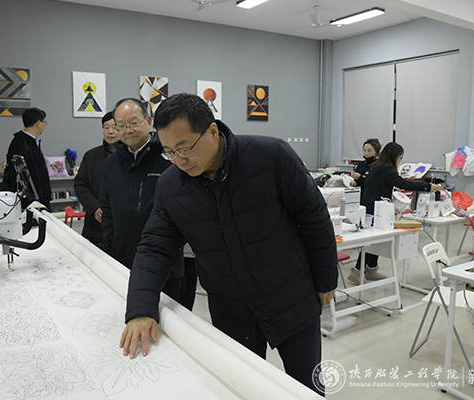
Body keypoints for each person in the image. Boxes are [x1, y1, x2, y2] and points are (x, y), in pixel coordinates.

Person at [119, 93, 337, 396]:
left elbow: (314, 218)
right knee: (243, 387)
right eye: (169, 152)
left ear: (212, 131)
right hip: (231, 309)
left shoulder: (270, 157)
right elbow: (155, 247)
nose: (179, 160)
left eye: (184, 148)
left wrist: (326, 280)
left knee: (306, 386)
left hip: (291, 297)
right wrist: (141, 308)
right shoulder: (171, 186)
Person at [98, 98, 184, 302]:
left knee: (166, 317)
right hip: (122, 258)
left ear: (148, 121)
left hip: (164, 261)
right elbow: (106, 209)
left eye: (134, 123)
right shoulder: (112, 163)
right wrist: (110, 243)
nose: (128, 130)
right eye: (121, 126)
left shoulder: (169, 158)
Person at [348, 141, 442, 284]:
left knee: (377, 240)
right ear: (395, 156)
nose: (400, 160)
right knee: (372, 241)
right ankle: (357, 271)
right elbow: (403, 183)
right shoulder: (386, 168)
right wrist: (427, 186)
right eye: (400, 157)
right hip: (375, 208)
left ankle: (371, 269)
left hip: (372, 206)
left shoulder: (378, 166)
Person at [74, 111, 119, 246]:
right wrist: (94, 208)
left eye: (115, 127)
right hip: (97, 226)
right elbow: (80, 184)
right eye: (106, 127)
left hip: (124, 229)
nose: (110, 132)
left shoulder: (131, 156)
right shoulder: (91, 156)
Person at [2, 107, 51, 211]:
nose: (44, 125)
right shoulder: (20, 143)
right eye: (44, 122)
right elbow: (15, 174)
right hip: (29, 203)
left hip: (41, 199)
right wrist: (23, 203)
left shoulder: (34, 142)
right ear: (38, 123)